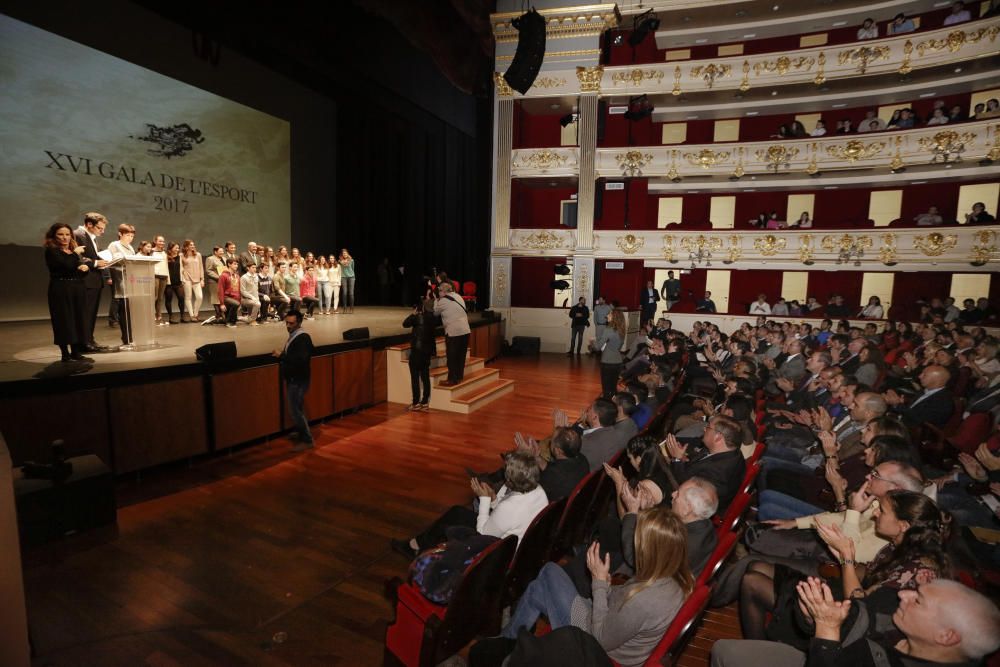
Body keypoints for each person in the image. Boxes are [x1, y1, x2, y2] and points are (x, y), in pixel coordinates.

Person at [501, 507, 692, 667]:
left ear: (649, 550)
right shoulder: (673, 577)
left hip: (594, 645)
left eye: (637, 536)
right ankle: (509, 644)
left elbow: (600, 640)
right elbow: (623, 602)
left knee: (549, 571)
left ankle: (507, 643)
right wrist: (607, 587)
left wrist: (598, 583)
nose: (634, 540)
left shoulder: (645, 600)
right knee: (538, 589)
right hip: (608, 624)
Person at [395, 450, 548, 557]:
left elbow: (483, 533)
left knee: (452, 520)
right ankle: (419, 544)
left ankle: (417, 547)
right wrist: (494, 498)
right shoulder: (539, 491)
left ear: (510, 480)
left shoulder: (511, 507)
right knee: (457, 513)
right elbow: (508, 517)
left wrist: (484, 499)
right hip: (519, 541)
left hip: (500, 550)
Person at [44, 223, 93, 362]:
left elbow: (75, 268)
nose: (65, 237)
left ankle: (76, 352)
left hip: (77, 288)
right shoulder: (52, 251)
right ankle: (65, 354)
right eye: (60, 234)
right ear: (54, 236)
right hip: (61, 289)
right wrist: (75, 254)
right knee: (64, 320)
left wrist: (85, 269)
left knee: (78, 319)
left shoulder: (72, 250)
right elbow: (65, 265)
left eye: (67, 234)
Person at [273, 309, 315, 451]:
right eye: (287, 323)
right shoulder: (296, 335)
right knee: (298, 408)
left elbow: (301, 360)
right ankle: (301, 432)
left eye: (291, 323)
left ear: (299, 323)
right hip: (295, 379)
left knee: (295, 410)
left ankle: (307, 439)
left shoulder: (303, 338)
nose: (288, 326)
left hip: (298, 380)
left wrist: (282, 356)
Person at [72, 212, 112, 352]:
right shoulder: (78, 234)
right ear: (89, 224)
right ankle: (84, 343)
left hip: (94, 280)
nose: (102, 231)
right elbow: (76, 256)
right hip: (86, 281)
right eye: (100, 228)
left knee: (90, 313)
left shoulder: (91, 237)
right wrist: (96, 262)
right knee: (85, 313)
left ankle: (89, 340)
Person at [402, 298, 438, 410]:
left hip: (417, 351)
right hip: (427, 351)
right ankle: (425, 402)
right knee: (425, 377)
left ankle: (415, 403)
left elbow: (405, 324)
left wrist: (413, 314)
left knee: (415, 378)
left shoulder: (417, 317)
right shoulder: (432, 319)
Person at [434, 281, 471, 386]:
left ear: (443, 291)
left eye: (439, 291)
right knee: (461, 356)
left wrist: (437, 300)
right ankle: (459, 377)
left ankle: (451, 380)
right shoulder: (458, 296)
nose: (438, 293)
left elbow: (435, 312)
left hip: (454, 332)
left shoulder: (443, 300)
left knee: (452, 357)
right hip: (465, 330)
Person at [106, 224, 136, 349]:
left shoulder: (131, 247)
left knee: (129, 311)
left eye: (132, 236)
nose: (130, 238)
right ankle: (126, 339)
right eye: (127, 235)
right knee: (123, 310)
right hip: (120, 280)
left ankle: (129, 339)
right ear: (120, 234)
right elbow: (111, 262)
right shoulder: (114, 245)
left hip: (130, 280)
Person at [591, 308, 626, 399]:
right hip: (618, 362)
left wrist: (592, 342)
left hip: (608, 362)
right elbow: (617, 346)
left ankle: (607, 410)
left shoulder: (609, 329)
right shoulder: (621, 330)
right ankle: (614, 407)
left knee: (606, 391)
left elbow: (597, 347)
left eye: (609, 314)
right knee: (613, 388)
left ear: (615, 317)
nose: (607, 316)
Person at [164, 242, 184, 324]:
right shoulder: (166, 257)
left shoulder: (180, 257)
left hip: (178, 282)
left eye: (178, 248)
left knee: (181, 298)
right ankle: (170, 316)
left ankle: (182, 316)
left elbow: (181, 268)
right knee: (168, 299)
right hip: (169, 283)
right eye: (176, 247)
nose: (177, 249)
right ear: (171, 248)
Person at [218, 258, 242, 328]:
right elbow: (220, 289)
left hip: (235, 298)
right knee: (235, 304)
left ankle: (226, 321)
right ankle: (228, 322)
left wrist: (240, 301)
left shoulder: (237, 276)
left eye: (237, 264)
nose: (236, 266)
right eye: (234, 264)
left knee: (234, 319)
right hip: (226, 297)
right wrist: (222, 303)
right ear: (229, 264)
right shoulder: (223, 276)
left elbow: (238, 289)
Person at [151, 236, 169, 326]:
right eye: (160, 241)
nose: (162, 243)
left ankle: (159, 316)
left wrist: (168, 277)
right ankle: (152, 315)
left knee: (160, 298)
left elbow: (165, 265)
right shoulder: (151, 251)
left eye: (163, 241)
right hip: (155, 275)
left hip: (164, 275)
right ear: (155, 241)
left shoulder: (164, 252)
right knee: (154, 296)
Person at [339, 248, 355, 313]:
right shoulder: (340, 261)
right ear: (342, 255)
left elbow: (353, 268)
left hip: (351, 277)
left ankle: (351, 308)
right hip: (343, 277)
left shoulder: (351, 260)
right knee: (344, 293)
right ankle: (345, 308)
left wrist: (353, 275)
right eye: (343, 253)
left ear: (347, 254)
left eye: (345, 253)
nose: (344, 254)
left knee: (351, 293)